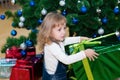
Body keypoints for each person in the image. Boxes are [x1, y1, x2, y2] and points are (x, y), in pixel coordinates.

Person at [37, 12, 99, 80]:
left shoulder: (56, 40)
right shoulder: (52, 46)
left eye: (64, 28)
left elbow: (66, 40)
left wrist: (80, 38)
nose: (63, 32)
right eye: (59, 30)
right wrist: (84, 53)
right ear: (49, 31)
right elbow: (67, 60)